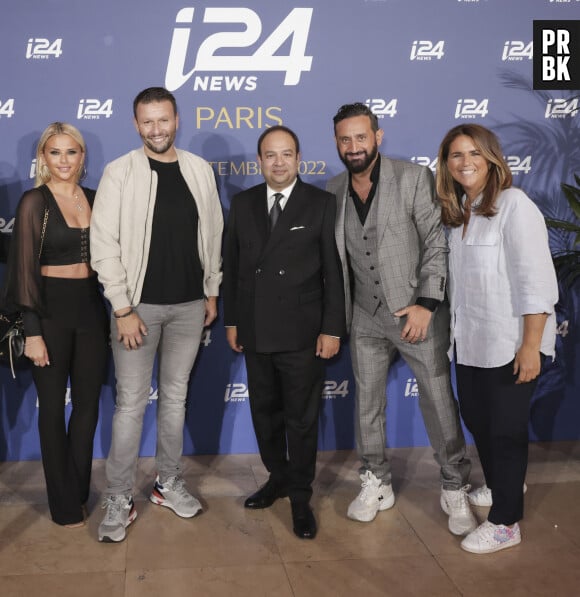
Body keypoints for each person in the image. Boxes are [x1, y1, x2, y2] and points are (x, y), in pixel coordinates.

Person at [327, 103, 475, 535]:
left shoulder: (412, 177)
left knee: (438, 401)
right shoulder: (333, 189)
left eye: (361, 137)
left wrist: (427, 304)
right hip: (364, 317)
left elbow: (434, 242)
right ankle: (376, 480)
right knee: (367, 404)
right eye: (345, 139)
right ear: (337, 143)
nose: (353, 146)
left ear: (377, 135)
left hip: (415, 313)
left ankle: (454, 484)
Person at [90, 87, 223, 543]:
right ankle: (120, 496)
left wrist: (211, 291)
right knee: (130, 405)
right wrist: (122, 307)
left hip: (189, 306)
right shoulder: (119, 172)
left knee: (174, 399)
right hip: (136, 309)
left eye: (163, 120)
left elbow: (213, 233)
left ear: (176, 119)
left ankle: (167, 483)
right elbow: (103, 244)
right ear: (135, 125)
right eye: (147, 122)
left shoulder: (199, 169)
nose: (156, 129)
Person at [436, 124, 558, 554]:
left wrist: (531, 345)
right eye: (455, 155)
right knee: (478, 419)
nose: (464, 162)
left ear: (491, 159)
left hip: (510, 344)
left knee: (505, 432)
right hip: (470, 344)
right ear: (446, 164)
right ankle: (505, 482)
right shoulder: (461, 215)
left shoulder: (514, 205)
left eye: (473, 153)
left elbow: (536, 281)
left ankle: (506, 522)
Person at [222, 125, 345, 539]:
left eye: (286, 154)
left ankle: (299, 495)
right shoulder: (242, 204)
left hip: (302, 333)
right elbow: (235, 269)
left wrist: (331, 328)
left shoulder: (321, 204)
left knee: (302, 419)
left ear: (298, 158)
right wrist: (233, 320)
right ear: (260, 161)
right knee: (265, 413)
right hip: (256, 330)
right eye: (270, 155)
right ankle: (277, 476)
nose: (278, 162)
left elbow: (333, 272)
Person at [1, 122, 109, 527]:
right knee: (52, 411)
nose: (64, 161)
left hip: (90, 310)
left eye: (71, 152)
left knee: (86, 407)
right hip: (48, 312)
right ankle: (63, 504)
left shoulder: (97, 198)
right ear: (43, 158)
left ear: (82, 156)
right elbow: (23, 271)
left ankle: (77, 489)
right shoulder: (34, 201)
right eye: (55, 152)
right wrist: (32, 331)